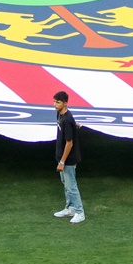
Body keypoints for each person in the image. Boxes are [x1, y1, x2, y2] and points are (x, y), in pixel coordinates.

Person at [52, 91, 85, 224]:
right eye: (54, 101)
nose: (55, 105)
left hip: (68, 159)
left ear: (65, 103)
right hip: (61, 156)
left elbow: (69, 143)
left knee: (71, 186)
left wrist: (62, 161)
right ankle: (70, 208)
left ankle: (79, 212)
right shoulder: (60, 115)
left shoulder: (67, 119)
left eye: (58, 102)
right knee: (66, 184)